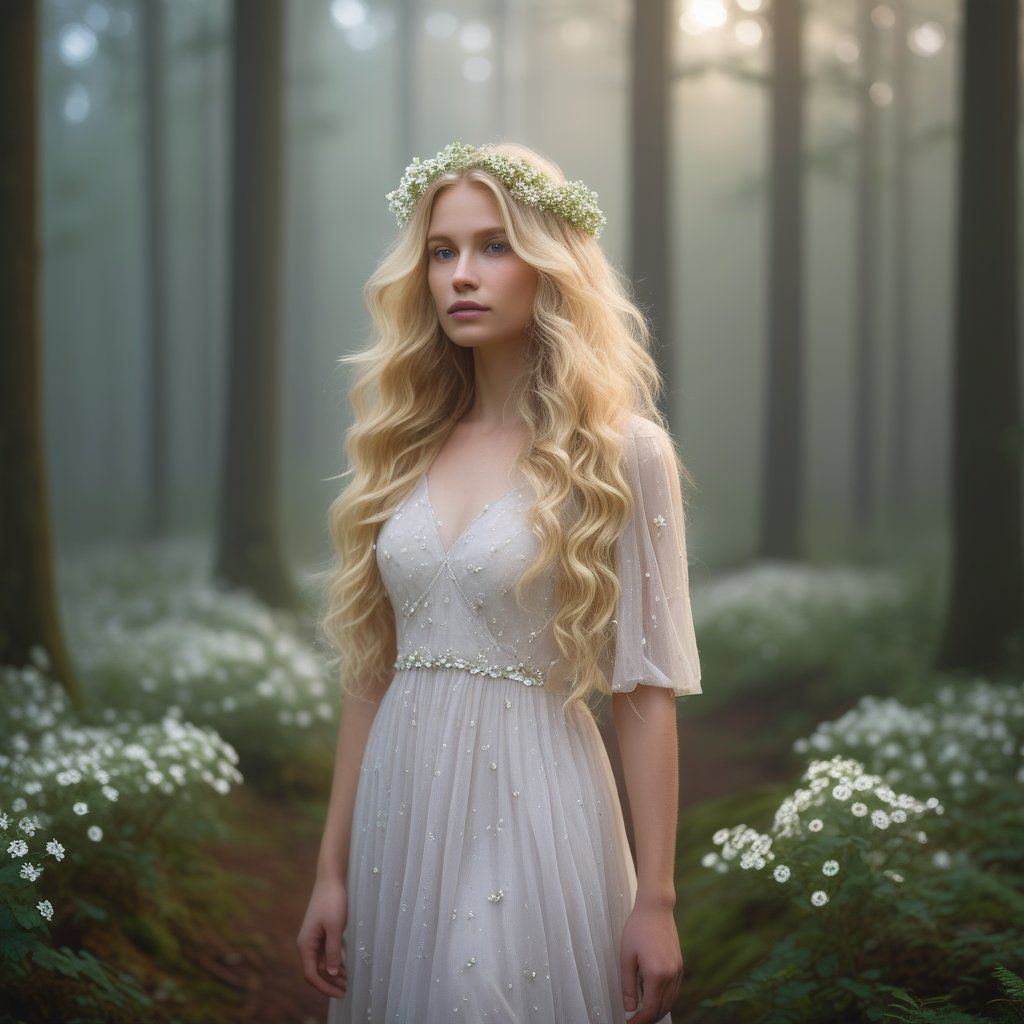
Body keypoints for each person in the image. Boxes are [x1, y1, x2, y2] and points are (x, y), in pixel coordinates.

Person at [297, 140, 702, 1024]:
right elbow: (369, 671)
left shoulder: (623, 453)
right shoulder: (400, 446)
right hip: (399, 810)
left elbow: (644, 686)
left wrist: (656, 896)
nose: (461, 276)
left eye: (494, 246)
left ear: (551, 263)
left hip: (536, 802)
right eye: (442, 251)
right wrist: (331, 869)